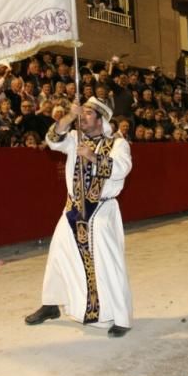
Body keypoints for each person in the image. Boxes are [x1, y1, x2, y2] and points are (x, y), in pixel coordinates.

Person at [25, 97, 133, 338]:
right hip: (73, 209)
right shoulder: (74, 139)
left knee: (108, 265)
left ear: (100, 119)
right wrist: (70, 116)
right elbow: (52, 140)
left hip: (101, 212)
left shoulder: (117, 144)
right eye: (81, 114)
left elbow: (122, 169)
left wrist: (93, 157)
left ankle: (120, 317)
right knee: (57, 257)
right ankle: (51, 304)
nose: (82, 118)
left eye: (87, 114)